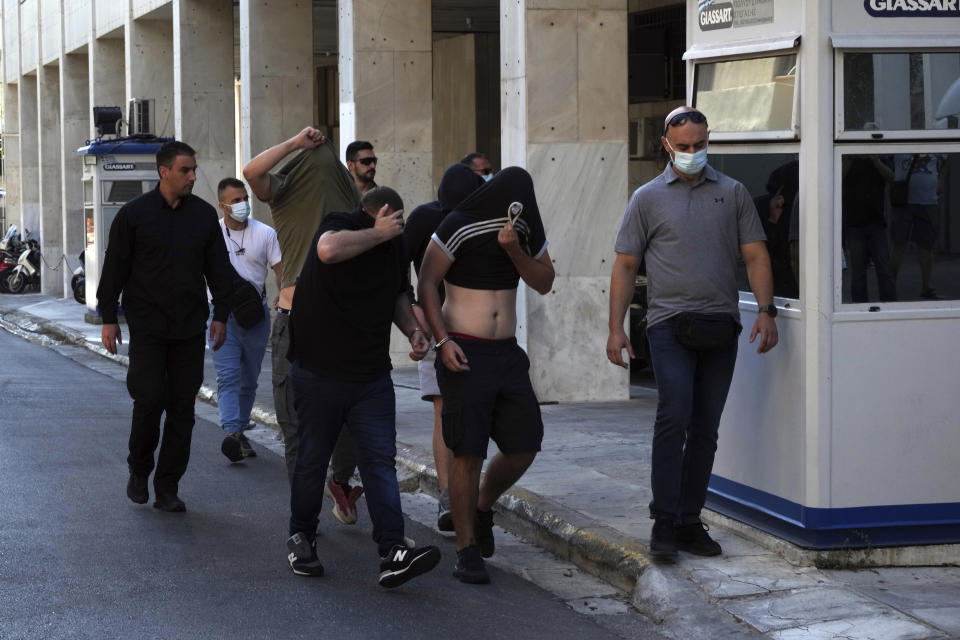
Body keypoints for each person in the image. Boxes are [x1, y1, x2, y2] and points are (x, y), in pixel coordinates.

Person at [605, 107, 778, 562]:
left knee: (706, 427)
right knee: (673, 417)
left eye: (699, 145)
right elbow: (624, 265)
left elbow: (756, 255)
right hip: (667, 325)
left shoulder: (733, 193)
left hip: (721, 323)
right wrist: (615, 329)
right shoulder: (646, 198)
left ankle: (688, 519)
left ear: (708, 141)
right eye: (683, 147)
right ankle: (664, 520)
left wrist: (765, 310)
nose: (691, 153)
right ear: (666, 144)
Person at [285, 186, 441, 588]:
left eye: (400, 223)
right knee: (312, 459)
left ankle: (392, 551)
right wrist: (379, 233)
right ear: (374, 215)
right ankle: (301, 537)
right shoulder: (341, 224)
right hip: (319, 372)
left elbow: (397, 295)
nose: (399, 228)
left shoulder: (394, 245)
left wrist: (413, 332)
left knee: (379, 463)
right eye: (394, 220)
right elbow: (327, 250)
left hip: (370, 376)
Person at [418, 167, 554, 585]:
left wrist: (515, 251)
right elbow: (426, 282)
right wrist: (442, 341)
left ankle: (481, 506)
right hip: (464, 348)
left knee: (525, 444)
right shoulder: (456, 224)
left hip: (507, 352)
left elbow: (545, 281)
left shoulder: (522, 227)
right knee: (468, 452)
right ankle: (466, 548)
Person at [98, 140, 233, 513]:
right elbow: (116, 268)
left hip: (190, 327)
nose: (193, 176)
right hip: (148, 327)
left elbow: (219, 269)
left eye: (193, 169)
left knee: (182, 409)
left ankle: (168, 486)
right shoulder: (134, 215)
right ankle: (139, 469)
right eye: (185, 170)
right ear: (164, 172)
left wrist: (221, 313)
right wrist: (109, 317)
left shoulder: (204, 217)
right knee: (149, 399)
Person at [242, 127, 365, 524]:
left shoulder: (309, 195)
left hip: (309, 318)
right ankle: (326, 491)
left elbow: (252, 172)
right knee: (336, 412)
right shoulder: (339, 196)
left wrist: (296, 144)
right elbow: (252, 172)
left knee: (298, 420)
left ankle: (307, 509)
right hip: (324, 320)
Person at [403, 163, 485, 531]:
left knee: (474, 413)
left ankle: (469, 495)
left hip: (477, 328)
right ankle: (449, 497)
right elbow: (396, 268)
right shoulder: (424, 218)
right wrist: (414, 315)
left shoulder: (486, 218)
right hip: (436, 323)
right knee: (442, 409)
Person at [212, 177, 283, 461]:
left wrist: (284, 293)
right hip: (220, 316)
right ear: (222, 205)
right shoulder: (211, 234)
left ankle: (239, 432)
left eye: (245, 199)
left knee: (249, 379)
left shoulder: (265, 233)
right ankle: (232, 431)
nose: (242, 205)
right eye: (236, 200)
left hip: (255, 316)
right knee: (228, 376)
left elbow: (280, 269)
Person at [890, 153, 947, 299]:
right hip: (904, 201)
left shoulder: (933, 139)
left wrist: (940, 181)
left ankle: (926, 287)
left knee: (926, 247)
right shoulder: (900, 138)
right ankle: (889, 285)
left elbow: (946, 159)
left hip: (927, 201)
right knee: (899, 244)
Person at [841, 156, 896, 303]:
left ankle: (889, 308)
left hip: (876, 222)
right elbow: (836, 178)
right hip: (855, 224)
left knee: (884, 270)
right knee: (858, 273)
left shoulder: (878, 158)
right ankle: (860, 308)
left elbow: (891, 177)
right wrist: (850, 160)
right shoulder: (847, 158)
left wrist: (876, 161)